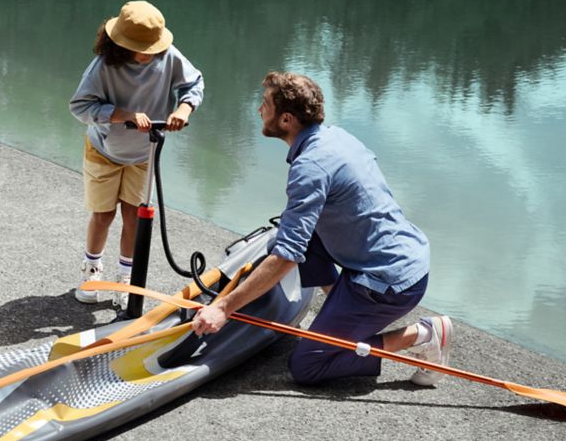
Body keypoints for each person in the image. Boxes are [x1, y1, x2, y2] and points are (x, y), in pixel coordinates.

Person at [191, 71, 453, 386]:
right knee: (300, 233)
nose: (260, 109)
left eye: (265, 104)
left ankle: (424, 335)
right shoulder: (336, 137)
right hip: (402, 255)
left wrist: (224, 307)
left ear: (286, 119)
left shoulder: (309, 167)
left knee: (307, 365)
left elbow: (286, 256)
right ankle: (339, 313)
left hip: (389, 283)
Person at [69, 0, 204, 309]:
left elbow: (194, 82)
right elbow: (79, 107)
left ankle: (125, 278)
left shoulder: (168, 56)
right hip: (104, 151)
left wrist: (184, 108)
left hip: (144, 153)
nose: (153, 54)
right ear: (123, 45)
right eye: (145, 48)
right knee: (103, 216)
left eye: (155, 47)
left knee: (133, 216)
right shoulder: (103, 66)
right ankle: (91, 272)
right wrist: (122, 114)